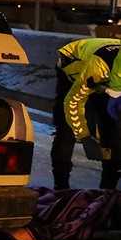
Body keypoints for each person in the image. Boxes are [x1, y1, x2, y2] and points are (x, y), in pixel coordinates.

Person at [51, 38, 121, 190]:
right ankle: (61, 187)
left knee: (112, 130)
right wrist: (85, 137)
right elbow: (72, 102)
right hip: (74, 66)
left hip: (107, 79)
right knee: (66, 129)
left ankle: (108, 190)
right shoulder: (99, 69)